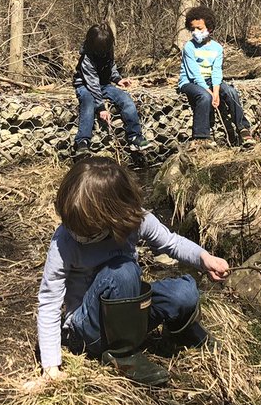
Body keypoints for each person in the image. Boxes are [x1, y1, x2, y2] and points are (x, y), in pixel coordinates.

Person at [32, 157, 229, 388]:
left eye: (86, 232)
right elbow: (49, 301)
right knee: (124, 270)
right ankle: (122, 354)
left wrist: (204, 258)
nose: (78, 236)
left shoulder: (135, 220)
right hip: (89, 328)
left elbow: (171, 243)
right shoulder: (65, 241)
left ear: (116, 217)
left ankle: (180, 332)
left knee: (183, 293)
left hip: (127, 312)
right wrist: (51, 366)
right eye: (72, 227)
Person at [178, 6, 254, 148]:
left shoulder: (217, 48)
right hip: (190, 82)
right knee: (204, 97)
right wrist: (210, 93)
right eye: (193, 29)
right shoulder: (189, 47)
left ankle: (243, 129)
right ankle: (201, 137)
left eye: (199, 29)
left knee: (231, 92)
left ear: (209, 28)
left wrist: (217, 91)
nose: (196, 32)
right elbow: (194, 74)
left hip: (211, 80)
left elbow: (216, 71)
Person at [72, 24, 150, 157]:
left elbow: (111, 66)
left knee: (126, 99)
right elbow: (92, 84)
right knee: (88, 101)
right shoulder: (87, 58)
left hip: (104, 84)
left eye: (106, 49)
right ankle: (82, 142)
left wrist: (118, 80)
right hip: (84, 85)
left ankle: (134, 137)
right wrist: (101, 107)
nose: (103, 53)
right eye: (100, 50)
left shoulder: (108, 49)